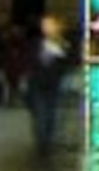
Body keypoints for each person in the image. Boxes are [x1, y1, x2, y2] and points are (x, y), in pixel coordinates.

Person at [26, 14, 72, 154]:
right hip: (37, 84)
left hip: (54, 83)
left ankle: (46, 141)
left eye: (49, 24)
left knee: (50, 113)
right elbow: (30, 61)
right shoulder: (36, 43)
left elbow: (68, 62)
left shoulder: (63, 44)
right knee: (40, 113)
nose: (46, 28)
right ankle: (42, 142)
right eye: (44, 25)